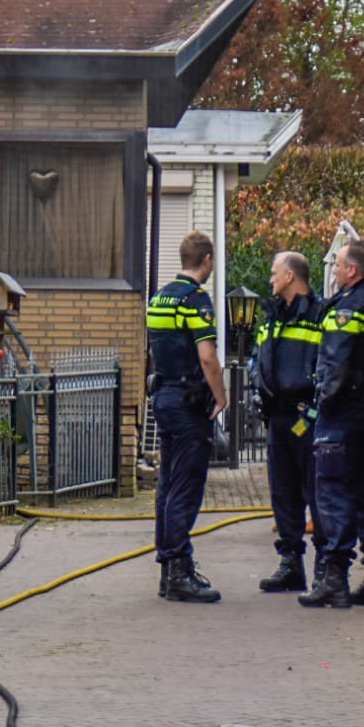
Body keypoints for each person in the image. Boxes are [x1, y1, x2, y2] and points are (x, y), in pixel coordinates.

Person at [300, 239, 364, 609]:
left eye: (338, 265)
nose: (335, 271)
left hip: (342, 409)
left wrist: (323, 404)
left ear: (353, 270)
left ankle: (335, 577)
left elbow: (335, 363)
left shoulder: (348, 308)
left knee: (332, 488)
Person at [147, 230, 228, 603]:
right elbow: (207, 355)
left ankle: (168, 569)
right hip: (188, 401)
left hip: (163, 397)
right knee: (186, 485)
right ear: (207, 261)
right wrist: (220, 396)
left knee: (168, 483)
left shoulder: (159, 298)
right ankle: (179, 570)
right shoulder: (196, 301)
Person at [251, 251, 324, 593]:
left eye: (274, 272)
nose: (270, 279)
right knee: (283, 493)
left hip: (307, 418)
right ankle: (291, 564)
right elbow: (257, 358)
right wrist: (257, 383)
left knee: (316, 491)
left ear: (291, 276)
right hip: (278, 417)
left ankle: (326, 566)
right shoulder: (272, 316)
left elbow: (328, 365)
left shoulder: (320, 316)